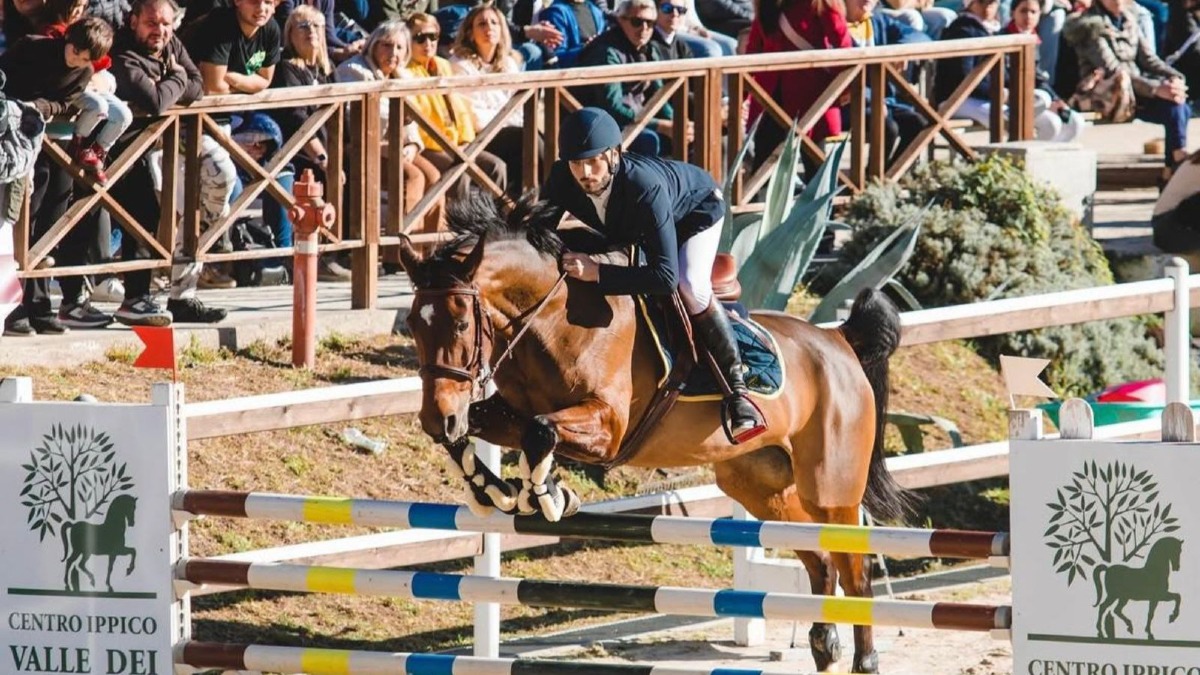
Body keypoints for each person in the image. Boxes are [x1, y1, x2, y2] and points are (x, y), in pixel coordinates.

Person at [540, 108, 766, 443]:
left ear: (614, 154)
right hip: (635, 224)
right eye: (576, 163)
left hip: (695, 213)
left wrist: (598, 272)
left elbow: (664, 278)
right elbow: (536, 233)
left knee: (690, 285)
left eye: (594, 162)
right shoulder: (563, 177)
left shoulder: (644, 187)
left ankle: (737, 391)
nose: (585, 173)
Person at [107, 0, 229, 324]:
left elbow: (198, 86)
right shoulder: (121, 51)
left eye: (165, 23)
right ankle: (82, 301)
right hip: (108, 148)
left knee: (150, 214)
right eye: (151, 23)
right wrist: (176, 79)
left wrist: (172, 81)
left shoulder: (170, 41)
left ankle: (141, 298)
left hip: (147, 146)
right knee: (103, 221)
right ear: (133, 21)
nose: (159, 30)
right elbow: (156, 101)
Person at [336, 19, 444, 265]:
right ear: (373, 45)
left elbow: (412, 120)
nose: (392, 53)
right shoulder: (354, 70)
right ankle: (402, 252)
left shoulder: (401, 75)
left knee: (436, 177)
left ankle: (431, 250)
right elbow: (367, 117)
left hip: (394, 145)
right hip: (362, 144)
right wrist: (401, 126)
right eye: (386, 45)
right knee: (413, 177)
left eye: (399, 47)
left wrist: (413, 144)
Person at [1064, 0, 1190, 178]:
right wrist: (1156, 89)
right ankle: (1174, 164)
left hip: (1137, 89)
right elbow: (1113, 71)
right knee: (1173, 107)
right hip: (1109, 96)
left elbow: (1149, 60)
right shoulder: (1091, 27)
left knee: (1178, 105)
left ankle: (1173, 166)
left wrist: (1175, 78)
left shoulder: (1129, 19)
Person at [406, 12, 507, 200]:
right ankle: (461, 229)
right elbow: (417, 118)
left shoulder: (443, 65)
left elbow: (461, 108)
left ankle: (497, 224)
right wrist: (451, 146)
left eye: (433, 37)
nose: (428, 43)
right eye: (420, 38)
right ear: (408, 40)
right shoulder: (405, 72)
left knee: (496, 167)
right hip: (431, 145)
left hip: (457, 143)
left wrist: (467, 140)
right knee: (459, 171)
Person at [744, 0, 851, 171]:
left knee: (815, 169)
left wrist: (844, 88)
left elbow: (844, 48)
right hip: (770, 99)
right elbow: (753, 49)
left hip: (810, 98)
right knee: (763, 165)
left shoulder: (820, 3)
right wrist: (741, 95)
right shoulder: (766, 4)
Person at [578, 0, 692, 157]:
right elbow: (612, 108)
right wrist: (659, 125)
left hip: (636, 119)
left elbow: (658, 92)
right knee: (650, 140)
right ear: (621, 20)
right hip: (599, 124)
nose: (644, 29)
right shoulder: (606, 51)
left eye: (650, 23)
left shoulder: (649, 48)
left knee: (692, 133)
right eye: (637, 22)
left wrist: (677, 122)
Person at [39, 0, 133, 182]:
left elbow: (102, 64)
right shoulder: (52, 32)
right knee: (98, 105)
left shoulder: (88, 30)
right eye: (72, 6)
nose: (76, 11)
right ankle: (78, 144)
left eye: (81, 7)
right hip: (67, 94)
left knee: (124, 115)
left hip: (93, 86)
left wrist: (101, 78)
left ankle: (97, 152)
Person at [450, 3, 531, 196]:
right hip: (480, 135)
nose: (489, 28)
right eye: (482, 24)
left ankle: (525, 209)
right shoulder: (460, 65)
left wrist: (503, 117)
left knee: (531, 142)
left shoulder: (509, 63)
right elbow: (474, 116)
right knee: (528, 140)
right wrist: (504, 117)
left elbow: (518, 110)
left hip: (509, 131)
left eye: (494, 23)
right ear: (470, 33)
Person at [842, 0, 931, 164]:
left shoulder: (877, 21)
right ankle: (871, 179)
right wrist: (872, 99)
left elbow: (922, 37)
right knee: (887, 128)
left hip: (885, 101)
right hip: (849, 105)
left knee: (920, 124)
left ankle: (890, 175)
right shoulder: (837, 26)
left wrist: (901, 50)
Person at [1004, 0, 1086, 142]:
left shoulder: (1033, 38)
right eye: (1023, 11)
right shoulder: (1004, 37)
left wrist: (1057, 100)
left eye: (1033, 12)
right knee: (1048, 114)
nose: (1028, 16)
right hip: (1008, 99)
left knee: (1075, 121)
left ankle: (1053, 159)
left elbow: (1039, 77)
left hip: (1031, 98)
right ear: (1012, 13)